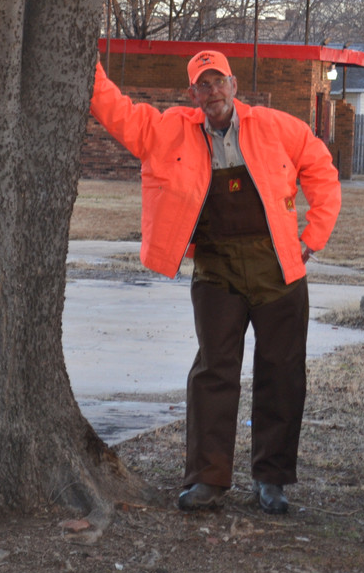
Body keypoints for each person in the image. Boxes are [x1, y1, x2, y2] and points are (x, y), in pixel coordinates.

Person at [90, 49, 342, 514]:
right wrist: (90, 63)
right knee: (213, 373)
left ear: (234, 84)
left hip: (279, 271)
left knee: (282, 374)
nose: (213, 92)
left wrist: (313, 237)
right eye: (202, 85)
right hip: (216, 271)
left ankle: (272, 480)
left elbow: (322, 170)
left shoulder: (275, 126)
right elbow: (118, 112)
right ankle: (206, 480)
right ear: (192, 95)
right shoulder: (169, 131)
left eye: (219, 81)